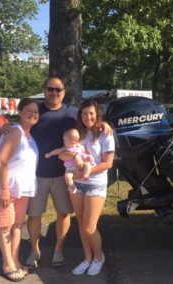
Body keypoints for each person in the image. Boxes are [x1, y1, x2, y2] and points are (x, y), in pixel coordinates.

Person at [20, 76, 112, 269]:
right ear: (44, 90)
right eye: (50, 89)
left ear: (64, 92)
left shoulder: (72, 113)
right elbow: (20, 123)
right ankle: (34, 250)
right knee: (35, 215)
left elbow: (91, 119)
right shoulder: (36, 111)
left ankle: (58, 251)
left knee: (63, 214)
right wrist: (5, 126)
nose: (54, 93)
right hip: (38, 174)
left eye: (58, 90)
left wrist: (105, 124)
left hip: (64, 175)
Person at [0, 98, 39, 282]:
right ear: (20, 112)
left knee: (16, 226)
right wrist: (4, 189)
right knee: (5, 228)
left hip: (22, 189)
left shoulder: (29, 136)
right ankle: (8, 265)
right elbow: (0, 161)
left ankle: (15, 260)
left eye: (36, 111)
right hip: (5, 188)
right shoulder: (15, 131)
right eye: (28, 110)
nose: (33, 114)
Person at [69, 100, 115, 276]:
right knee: (81, 224)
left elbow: (108, 163)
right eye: (84, 113)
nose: (88, 117)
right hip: (77, 184)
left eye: (91, 114)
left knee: (89, 227)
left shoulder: (105, 133)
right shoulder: (77, 133)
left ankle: (99, 257)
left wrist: (85, 173)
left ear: (97, 115)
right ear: (80, 115)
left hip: (95, 184)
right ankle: (87, 258)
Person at [45, 128, 95, 193]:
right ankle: (73, 187)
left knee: (87, 164)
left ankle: (85, 175)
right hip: (70, 169)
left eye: (65, 140)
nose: (63, 142)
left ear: (72, 142)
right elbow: (57, 151)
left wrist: (88, 157)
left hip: (81, 165)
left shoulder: (80, 147)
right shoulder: (65, 148)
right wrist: (49, 154)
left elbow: (84, 154)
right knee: (67, 177)